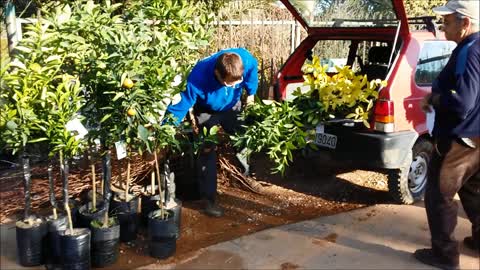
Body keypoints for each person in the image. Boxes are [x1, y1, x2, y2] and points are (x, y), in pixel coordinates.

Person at [416, 0, 480, 269]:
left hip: (458, 141)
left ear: (465, 23)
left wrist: (435, 98)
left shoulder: (469, 50)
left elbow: (463, 102)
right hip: (477, 138)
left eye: (448, 21)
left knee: (438, 195)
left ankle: (444, 256)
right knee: (474, 191)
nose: (443, 27)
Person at [165, 48, 258, 217]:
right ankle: (209, 199)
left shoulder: (244, 58)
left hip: (233, 107)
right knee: (207, 150)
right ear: (217, 73)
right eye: (230, 83)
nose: (235, 85)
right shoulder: (198, 77)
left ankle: (245, 176)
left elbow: (252, 69)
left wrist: (251, 94)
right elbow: (181, 105)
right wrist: (165, 129)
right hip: (207, 111)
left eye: (238, 82)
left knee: (243, 139)